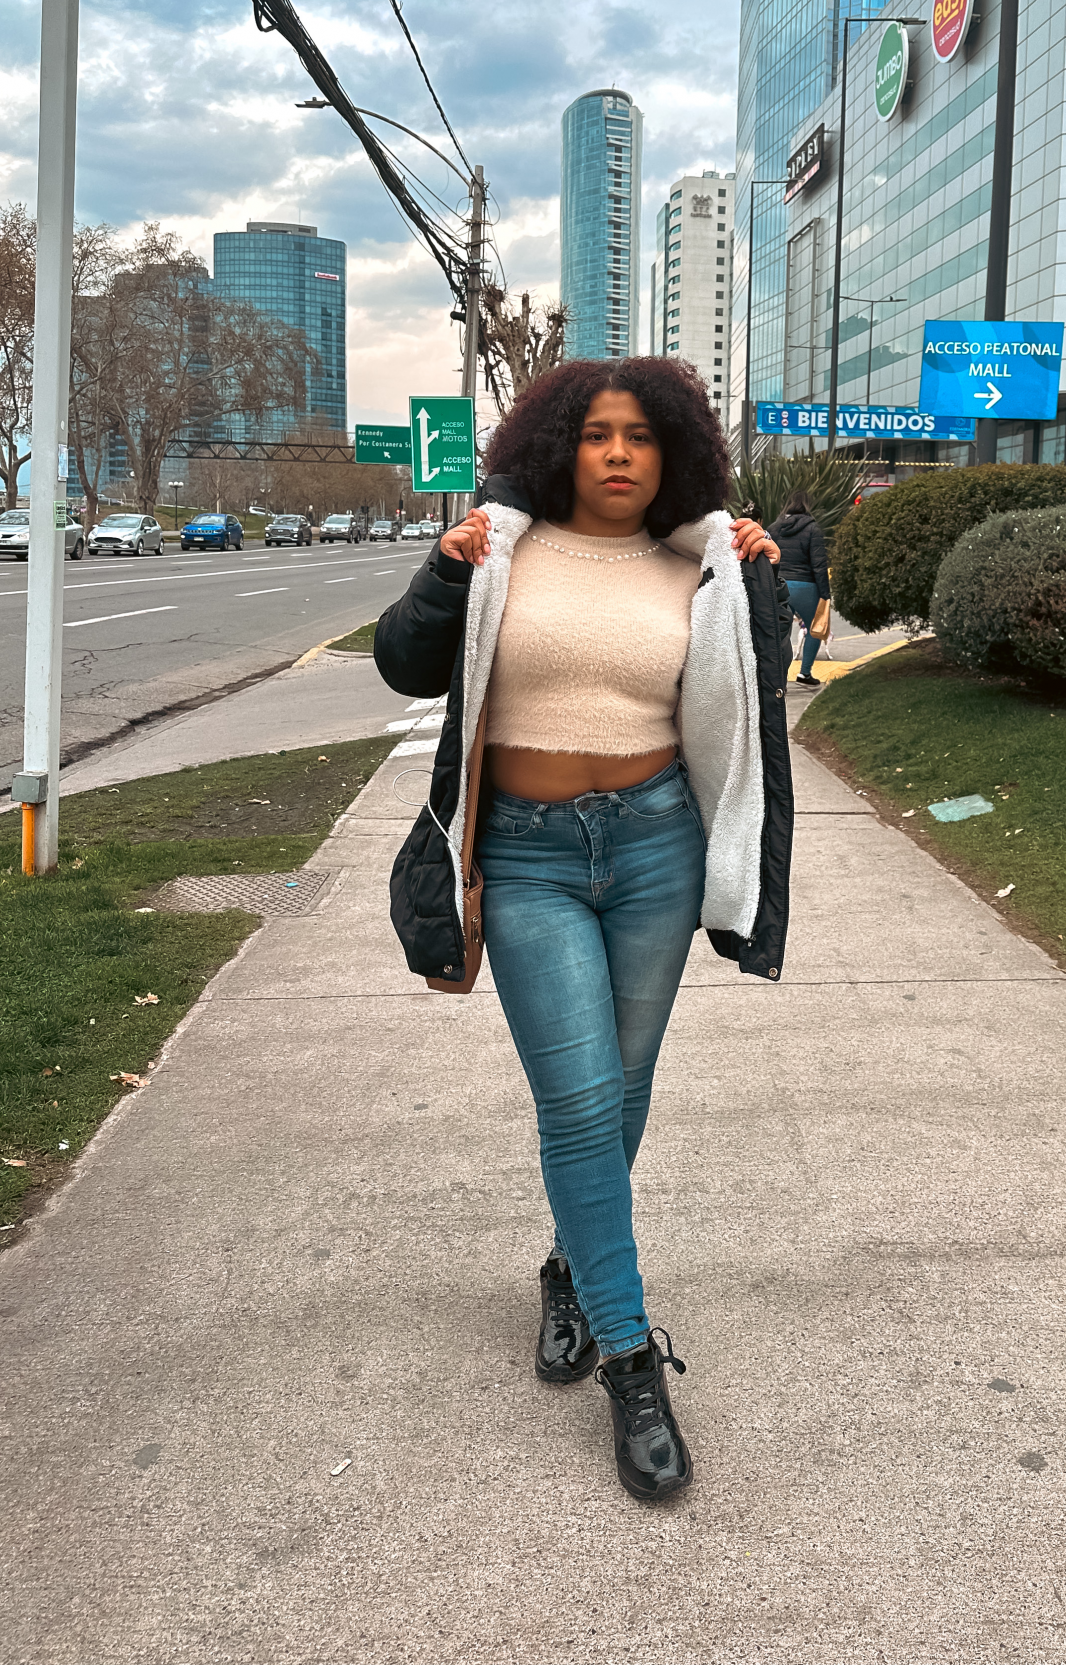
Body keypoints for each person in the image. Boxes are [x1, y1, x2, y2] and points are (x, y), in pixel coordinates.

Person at [373, 358, 793, 1503]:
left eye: (641, 437)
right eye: (597, 433)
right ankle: (630, 1356)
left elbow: (755, 692)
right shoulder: (498, 544)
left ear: (675, 454)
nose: (618, 452)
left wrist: (763, 581)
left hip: (655, 841)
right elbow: (402, 664)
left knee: (628, 1086)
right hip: (525, 854)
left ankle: (569, 1266)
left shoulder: (701, 557)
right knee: (581, 1098)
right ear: (560, 443)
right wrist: (438, 572)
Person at [768, 487, 832, 687]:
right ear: (807, 505)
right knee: (814, 628)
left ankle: (779, 677)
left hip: (780, 585)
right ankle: (805, 673)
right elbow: (819, 565)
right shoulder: (813, 529)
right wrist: (825, 594)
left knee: (781, 632)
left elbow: (767, 558)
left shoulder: (774, 528)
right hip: (806, 586)